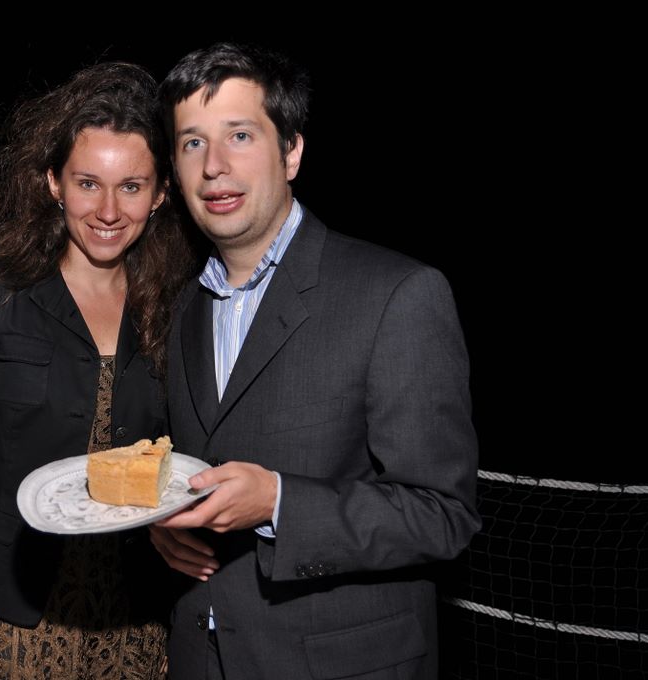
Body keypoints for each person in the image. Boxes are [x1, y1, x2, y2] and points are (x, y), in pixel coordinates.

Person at [147, 43, 481, 679]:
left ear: (291, 151)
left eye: (239, 135)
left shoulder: (397, 294)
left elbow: (444, 515)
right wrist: (163, 521)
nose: (214, 166)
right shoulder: (183, 307)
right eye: (192, 143)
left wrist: (279, 504)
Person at [0, 62, 195, 680]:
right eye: (87, 182)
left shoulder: (177, 304)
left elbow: (186, 457)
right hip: (13, 622)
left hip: (134, 623)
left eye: (131, 186)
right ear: (53, 183)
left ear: (160, 194)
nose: (108, 210)